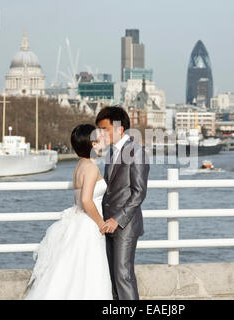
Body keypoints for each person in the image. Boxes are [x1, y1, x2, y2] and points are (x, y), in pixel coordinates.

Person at [24, 124, 113, 300]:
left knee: (71, 271)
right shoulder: (92, 167)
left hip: (78, 221)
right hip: (89, 224)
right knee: (89, 273)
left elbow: (77, 199)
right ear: (93, 144)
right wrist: (101, 223)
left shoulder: (80, 165)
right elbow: (86, 200)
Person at [96, 106, 150, 300]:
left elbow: (139, 192)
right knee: (113, 278)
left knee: (123, 276)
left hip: (124, 225)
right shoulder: (112, 153)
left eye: (104, 129)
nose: (100, 134)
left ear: (119, 129)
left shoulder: (137, 152)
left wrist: (116, 220)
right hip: (107, 224)